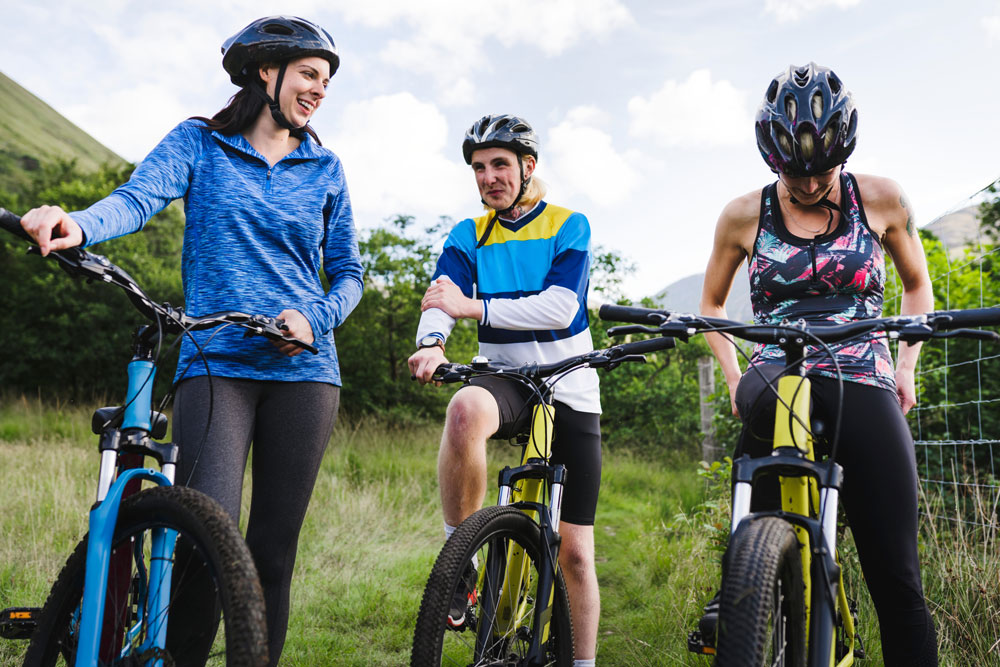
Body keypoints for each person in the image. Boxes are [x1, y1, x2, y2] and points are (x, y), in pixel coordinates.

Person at [19, 16, 363, 664]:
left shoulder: (325, 168)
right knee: (206, 536)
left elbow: (350, 273)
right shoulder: (201, 144)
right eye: (310, 74)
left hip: (306, 373)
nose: (320, 89)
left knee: (271, 555)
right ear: (268, 71)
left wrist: (315, 319)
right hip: (215, 363)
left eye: (326, 79)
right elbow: (137, 198)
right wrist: (77, 224)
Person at [699, 62, 937, 665]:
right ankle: (744, 583)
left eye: (822, 172)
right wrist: (732, 374)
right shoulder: (741, 215)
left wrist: (905, 365)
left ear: (846, 151)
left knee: (897, 576)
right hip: (776, 364)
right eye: (791, 171)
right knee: (769, 400)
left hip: (861, 365)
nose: (807, 185)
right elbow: (710, 305)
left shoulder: (881, 197)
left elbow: (916, 286)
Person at [408, 114, 603, 666]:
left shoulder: (569, 224)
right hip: (508, 380)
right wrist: (434, 343)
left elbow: (562, 307)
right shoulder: (468, 234)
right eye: (478, 168)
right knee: (465, 409)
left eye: (499, 165)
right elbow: (442, 296)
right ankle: (461, 560)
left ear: (527, 168)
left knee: (576, 554)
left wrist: (473, 308)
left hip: (569, 385)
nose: (489, 176)